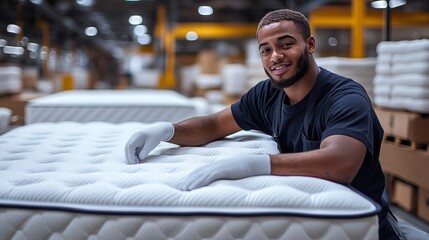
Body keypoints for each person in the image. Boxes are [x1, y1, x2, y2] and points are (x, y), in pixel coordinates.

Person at [125, 9, 398, 239]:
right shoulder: (268, 94)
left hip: (359, 227)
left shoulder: (345, 98)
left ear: (310, 45)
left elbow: (340, 163)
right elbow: (213, 125)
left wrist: (254, 165)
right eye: (265, 50)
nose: (275, 56)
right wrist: (167, 131)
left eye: (286, 44)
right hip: (305, 220)